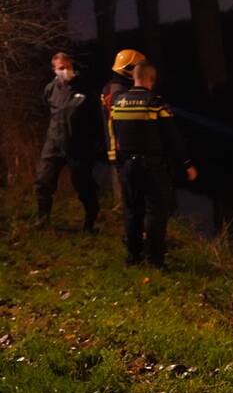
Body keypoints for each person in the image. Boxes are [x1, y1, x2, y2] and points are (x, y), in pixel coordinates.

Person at [111, 61, 197, 267]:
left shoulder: (118, 102)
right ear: (151, 80)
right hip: (152, 167)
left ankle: (133, 257)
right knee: (155, 213)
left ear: (134, 77)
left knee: (132, 212)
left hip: (126, 167)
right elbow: (173, 138)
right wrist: (187, 164)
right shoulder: (156, 103)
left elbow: (114, 135)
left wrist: (118, 163)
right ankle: (155, 259)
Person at [33, 52, 101, 231]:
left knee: (83, 184)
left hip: (78, 146)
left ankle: (90, 221)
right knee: (43, 180)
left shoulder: (84, 89)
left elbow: (96, 117)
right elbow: (47, 109)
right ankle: (43, 218)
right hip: (54, 143)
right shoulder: (50, 89)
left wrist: (95, 144)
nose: (65, 71)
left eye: (67, 67)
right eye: (61, 68)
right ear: (54, 69)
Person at [100, 49, 147, 207]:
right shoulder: (118, 92)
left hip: (121, 149)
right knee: (131, 196)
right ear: (129, 69)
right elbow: (115, 123)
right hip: (123, 150)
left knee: (129, 193)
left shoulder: (112, 88)